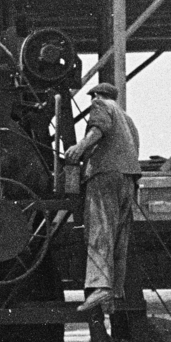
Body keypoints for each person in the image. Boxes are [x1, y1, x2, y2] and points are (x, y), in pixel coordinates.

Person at [64, 82, 141, 315]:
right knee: (119, 235)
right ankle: (114, 291)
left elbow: (99, 128)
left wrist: (79, 147)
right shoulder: (128, 120)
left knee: (100, 228)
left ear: (96, 96)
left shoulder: (100, 104)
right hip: (128, 178)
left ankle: (99, 286)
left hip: (105, 175)